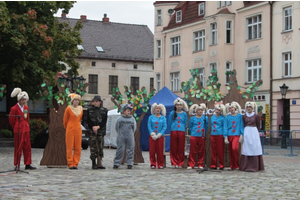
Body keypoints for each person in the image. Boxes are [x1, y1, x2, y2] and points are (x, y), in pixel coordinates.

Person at [9, 88, 36, 170]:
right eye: (22, 100)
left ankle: (28, 163)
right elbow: (11, 120)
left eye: (25, 100)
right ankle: (17, 164)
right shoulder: (14, 108)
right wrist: (16, 127)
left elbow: (27, 118)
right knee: (18, 147)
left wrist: (26, 125)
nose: (24, 101)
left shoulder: (26, 108)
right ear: (19, 100)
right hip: (18, 129)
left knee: (27, 146)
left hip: (25, 129)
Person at [240, 101, 265, 172]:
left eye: (250, 107)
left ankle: (255, 166)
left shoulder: (256, 116)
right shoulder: (244, 116)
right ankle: (246, 165)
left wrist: (256, 132)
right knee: (246, 147)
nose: (248, 108)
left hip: (254, 132)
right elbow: (243, 124)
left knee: (254, 147)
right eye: (247, 107)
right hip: (247, 131)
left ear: (252, 108)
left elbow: (258, 125)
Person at [87, 95, 108, 169]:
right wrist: (93, 127)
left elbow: (104, 121)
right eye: (94, 101)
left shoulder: (104, 110)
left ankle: (100, 162)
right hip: (92, 131)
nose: (95, 103)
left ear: (100, 102)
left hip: (100, 131)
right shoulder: (89, 110)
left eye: (96, 101)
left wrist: (98, 127)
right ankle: (93, 163)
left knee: (100, 147)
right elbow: (88, 120)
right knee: (93, 147)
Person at [113, 103, 136, 169]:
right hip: (121, 136)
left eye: (129, 111)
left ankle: (129, 163)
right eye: (127, 111)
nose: (128, 112)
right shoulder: (119, 119)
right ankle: (117, 163)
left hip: (130, 136)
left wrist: (131, 134)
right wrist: (120, 133)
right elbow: (117, 127)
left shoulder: (132, 119)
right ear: (124, 111)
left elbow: (134, 128)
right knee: (120, 149)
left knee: (130, 149)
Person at [63, 93, 83, 170]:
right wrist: (67, 127)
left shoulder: (81, 109)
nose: (76, 101)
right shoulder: (68, 108)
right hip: (70, 128)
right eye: (75, 100)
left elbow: (80, 119)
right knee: (69, 147)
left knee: (78, 147)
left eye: (78, 100)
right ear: (72, 101)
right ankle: (70, 163)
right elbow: (65, 120)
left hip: (78, 128)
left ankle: (76, 163)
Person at [168, 97, 188, 168]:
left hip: (181, 131)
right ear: (175, 106)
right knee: (174, 147)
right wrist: (172, 129)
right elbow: (170, 123)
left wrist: (183, 129)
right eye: (177, 105)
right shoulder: (172, 113)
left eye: (180, 105)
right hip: (174, 131)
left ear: (182, 106)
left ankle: (180, 162)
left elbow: (185, 123)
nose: (179, 106)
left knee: (181, 147)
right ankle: (174, 162)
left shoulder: (184, 114)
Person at [187, 103, 208, 169]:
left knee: (201, 150)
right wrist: (193, 132)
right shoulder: (192, 118)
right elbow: (190, 127)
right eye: (199, 110)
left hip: (201, 136)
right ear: (196, 111)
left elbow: (206, 127)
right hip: (194, 135)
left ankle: (200, 164)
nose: (200, 111)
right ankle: (191, 164)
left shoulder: (205, 118)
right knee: (192, 150)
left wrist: (203, 133)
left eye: (201, 110)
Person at [224, 101, 244, 170]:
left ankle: (237, 164)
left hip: (236, 135)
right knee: (230, 150)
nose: (231, 109)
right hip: (229, 135)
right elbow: (225, 127)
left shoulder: (239, 116)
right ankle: (232, 165)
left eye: (232, 108)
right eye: (230, 108)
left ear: (235, 108)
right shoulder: (227, 117)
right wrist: (225, 137)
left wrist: (242, 134)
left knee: (234, 149)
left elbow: (241, 125)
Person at [147, 103, 167, 169]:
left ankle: (160, 164)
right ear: (154, 109)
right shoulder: (151, 117)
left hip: (160, 136)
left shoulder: (163, 118)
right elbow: (149, 126)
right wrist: (152, 133)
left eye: (159, 108)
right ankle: (153, 163)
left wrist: (160, 134)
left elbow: (164, 127)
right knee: (152, 150)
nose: (158, 110)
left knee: (160, 150)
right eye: (156, 108)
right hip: (152, 136)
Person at [210, 102, 227, 170]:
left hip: (220, 135)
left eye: (219, 110)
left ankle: (221, 165)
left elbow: (224, 127)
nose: (217, 111)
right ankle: (213, 165)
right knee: (213, 151)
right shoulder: (212, 117)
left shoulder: (223, 118)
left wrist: (225, 136)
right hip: (213, 135)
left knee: (220, 151)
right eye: (216, 110)